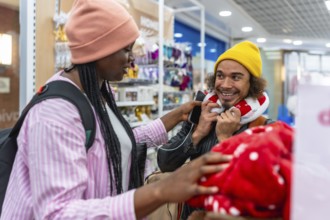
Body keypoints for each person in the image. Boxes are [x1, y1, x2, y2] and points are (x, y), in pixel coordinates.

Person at [1, 0, 232, 219]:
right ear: (99, 49)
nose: (133, 60)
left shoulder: (99, 93)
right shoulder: (55, 113)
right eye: (126, 50)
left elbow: (110, 143)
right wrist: (159, 191)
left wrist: (172, 118)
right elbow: (58, 213)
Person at [157, 40, 274, 219]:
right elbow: (165, 162)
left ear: (252, 83)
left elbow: (258, 191)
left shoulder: (263, 128)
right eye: (220, 76)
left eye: (236, 77)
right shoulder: (203, 114)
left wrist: (226, 139)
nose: (225, 85)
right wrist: (197, 134)